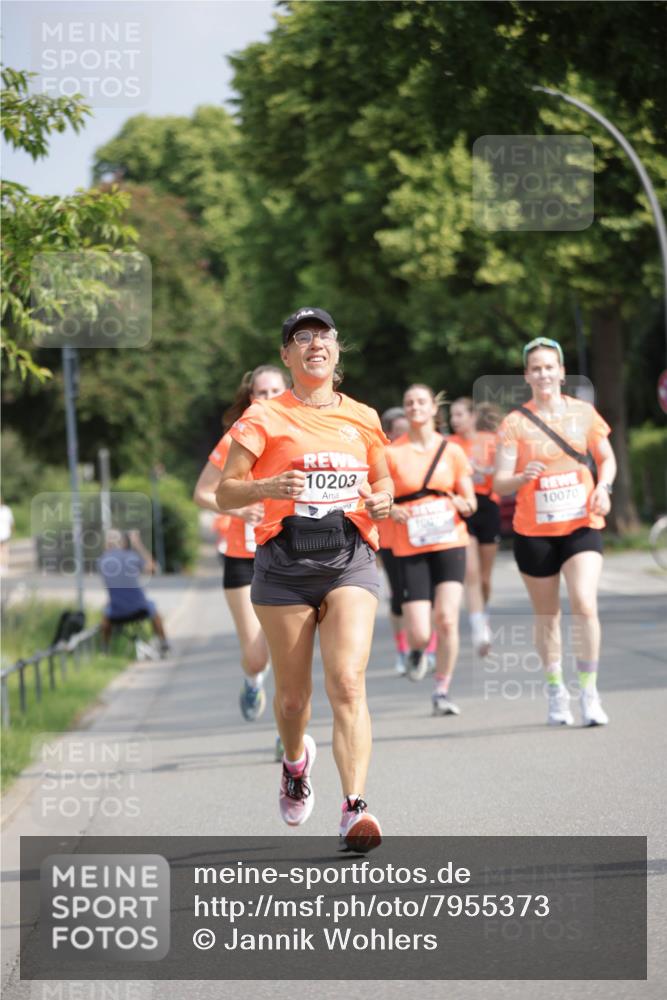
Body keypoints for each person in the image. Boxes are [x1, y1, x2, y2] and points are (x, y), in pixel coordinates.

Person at [216, 307, 393, 852]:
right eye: (301, 338)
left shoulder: (363, 417)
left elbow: (382, 479)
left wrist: (385, 500)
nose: (314, 344)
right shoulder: (262, 418)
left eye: (323, 336)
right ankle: (296, 764)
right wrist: (270, 487)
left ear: (337, 351)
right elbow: (226, 492)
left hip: (350, 560)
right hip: (284, 567)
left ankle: (355, 806)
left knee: (347, 681)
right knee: (293, 700)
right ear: (287, 356)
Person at [494, 337, 617, 727]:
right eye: (536, 368)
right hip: (535, 531)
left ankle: (589, 692)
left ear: (562, 372)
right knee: (547, 616)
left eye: (550, 366)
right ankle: (555, 690)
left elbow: (607, 459)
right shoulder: (514, 423)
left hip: (581, 523)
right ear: (527, 375)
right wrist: (519, 477)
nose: (544, 373)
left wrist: (604, 487)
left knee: (584, 603)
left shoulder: (583, 413)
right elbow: (499, 482)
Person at [193, 365, 288, 723]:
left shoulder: (302, 434)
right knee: (257, 656)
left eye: (275, 391)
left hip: (287, 553)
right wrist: (239, 511)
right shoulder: (237, 438)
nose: (268, 398)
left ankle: (288, 731)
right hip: (243, 556)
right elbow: (202, 493)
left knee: (287, 652)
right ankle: (252, 680)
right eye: (261, 393)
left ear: (288, 391)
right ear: (252, 398)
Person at [385, 385, 476, 716]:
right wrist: (391, 509)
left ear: (432, 408)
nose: (414, 407)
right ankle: (416, 651)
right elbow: (379, 497)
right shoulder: (392, 453)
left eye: (421, 402)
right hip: (411, 546)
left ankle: (442, 689)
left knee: (447, 619)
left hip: (450, 541)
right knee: (421, 633)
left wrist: (464, 503)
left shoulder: (451, 451)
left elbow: (470, 500)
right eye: (409, 402)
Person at [449, 398, 502, 658]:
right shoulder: (449, 445)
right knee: (471, 572)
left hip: (488, 506)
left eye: (459, 414)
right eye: (452, 415)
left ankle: (484, 611)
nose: (454, 420)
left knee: (484, 577)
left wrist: (485, 469)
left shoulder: (489, 441)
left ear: (472, 417)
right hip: (462, 509)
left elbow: (504, 471)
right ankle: (479, 629)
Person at [99, 529, 169, 656]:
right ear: (123, 543)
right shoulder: (132, 556)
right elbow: (154, 568)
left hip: (116, 612)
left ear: (107, 544)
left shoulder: (102, 561)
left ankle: (105, 650)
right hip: (140, 608)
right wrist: (138, 544)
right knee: (155, 612)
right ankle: (163, 643)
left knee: (105, 616)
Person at [0, 497, 14, 574]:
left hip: (6, 533)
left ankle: (5, 565)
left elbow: (11, 522)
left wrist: (12, 532)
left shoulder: (7, 510)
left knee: (5, 550)